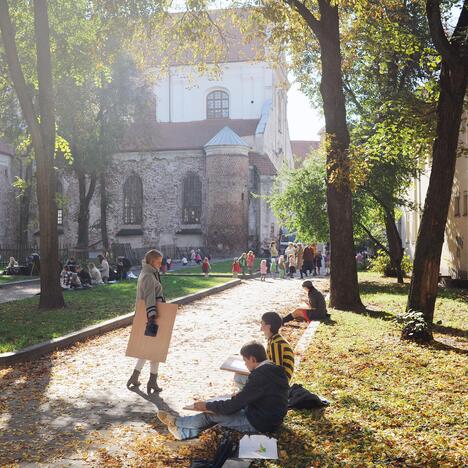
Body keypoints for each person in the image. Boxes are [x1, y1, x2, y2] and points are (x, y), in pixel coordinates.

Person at [157, 341, 289, 440]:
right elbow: (258, 395)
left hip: (260, 422)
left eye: (245, 361)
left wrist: (207, 405)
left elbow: (232, 406)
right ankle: (183, 433)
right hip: (270, 416)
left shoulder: (259, 376)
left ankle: (176, 422)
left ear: (253, 359)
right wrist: (241, 397)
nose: (245, 365)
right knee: (217, 412)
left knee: (212, 414)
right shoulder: (275, 369)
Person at [127, 249, 165, 394]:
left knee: (151, 350)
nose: (160, 265)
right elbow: (149, 298)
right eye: (158, 262)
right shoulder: (148, 275)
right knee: (154, 350)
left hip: (150, 315)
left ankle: (138, 378)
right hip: (151, 317)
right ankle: (149, 380)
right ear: (151, 261)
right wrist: (152, 317)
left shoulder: (148, 273)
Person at [260, 312, 294, 382]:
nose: (261, 327)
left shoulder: (276, 344)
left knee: (240, 377)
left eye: (262, 323)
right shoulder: (275, 339)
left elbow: (276, 370)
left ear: (268, 326)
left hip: (280, 383)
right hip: (279, 379)